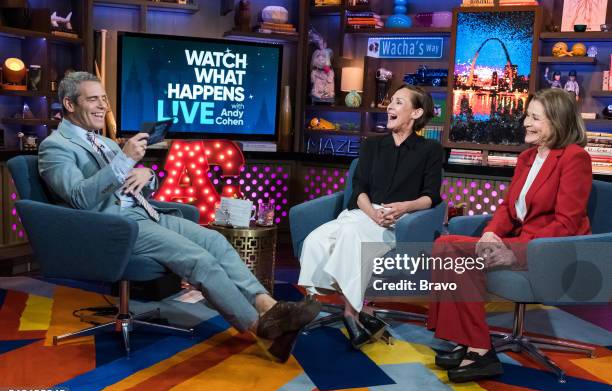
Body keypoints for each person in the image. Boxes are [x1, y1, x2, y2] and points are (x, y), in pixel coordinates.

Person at [38, 71, 320, 362]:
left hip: (145, 212)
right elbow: (79, 198)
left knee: (214, 240)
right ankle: (262, 329)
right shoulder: (55, 147)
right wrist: (124, 160)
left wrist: (147, 175)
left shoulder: (107, 144)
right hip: (115, 227)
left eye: (103, 98)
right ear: (70, 105)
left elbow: (138, 186)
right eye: (92, 99)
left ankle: (270, 307)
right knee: (199, 259)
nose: (102, 106)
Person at [428, 87, 592, 383]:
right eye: (527, 116)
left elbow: (567, 224)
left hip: (550, 250)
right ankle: (470, 343)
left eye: (534, 118)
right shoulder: (528, 157)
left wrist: (514, 250)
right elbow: (507, 208)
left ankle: (477, 348)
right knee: (444, 245)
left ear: (558, 121)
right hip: (519, 241)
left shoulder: (574, 158)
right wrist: (491, 234)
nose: (525, 123)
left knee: (449, 248)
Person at [298, 85, 443, 348]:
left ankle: (350, 313)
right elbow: (358, 189)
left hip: (399, 219)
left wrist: (403, 208)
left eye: (399, 102)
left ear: (416, 113)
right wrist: (372, 213)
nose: (390, 107)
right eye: (391, 101)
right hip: (363, 212)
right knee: (316, 241)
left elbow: (431, 197)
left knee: (350, 237)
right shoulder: (372, 146)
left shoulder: (430, 150)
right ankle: (364, 310)